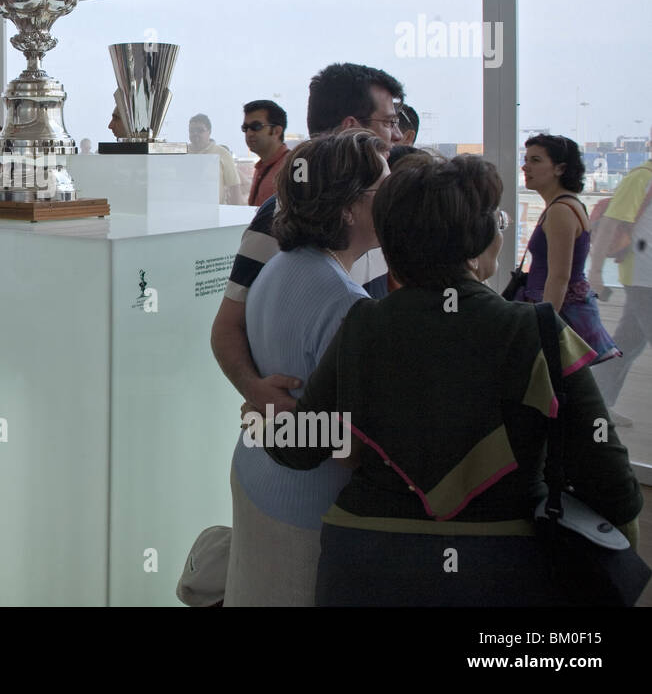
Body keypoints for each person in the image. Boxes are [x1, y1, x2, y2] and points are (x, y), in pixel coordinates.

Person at [263, 156, 643, 605]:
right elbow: (614, 488)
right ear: (484, 238)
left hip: (367, 563)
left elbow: (299, 449)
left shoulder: (363, 325)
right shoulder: (537, 332)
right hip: (504, 564)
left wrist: (264, 415)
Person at [224, 130, 389, 606]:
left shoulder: (282, 265)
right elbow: (348, 445)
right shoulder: (345, 301)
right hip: (305, 507)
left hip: (257, 474)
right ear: (348, 208)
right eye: (384, 191)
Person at [211, 62, 405, 415]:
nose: (398, 134)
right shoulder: (281, 214)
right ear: (350, 128)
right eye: (389, 122)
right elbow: (226, 327)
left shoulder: (377, 212)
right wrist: (259, 393)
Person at [517, 134, 619, 364]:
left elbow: (559, 277)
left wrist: (546, 329)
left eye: (535, 160)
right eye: (526, 159)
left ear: (560, 168)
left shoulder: (560, 210)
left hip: (560, 314)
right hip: (562, 310)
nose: (525, 166)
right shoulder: (567, 204)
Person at [589, 152, 652, 421]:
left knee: (628, 343)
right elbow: (609, 225)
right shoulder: (641, 177)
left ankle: (596, 405)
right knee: (629, 342)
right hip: (643, 278)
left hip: (645, 279)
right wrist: (595, 272)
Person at [242, 100, 289, 207]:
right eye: (245, 128)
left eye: (256, 126)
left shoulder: (293, 167)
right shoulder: (261, 167)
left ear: (277, 131)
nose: (249, 133)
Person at [188, 114, 243, 205]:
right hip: (186, 211)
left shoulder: (223, 154)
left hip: (214, 214)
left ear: (209, 132)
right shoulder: (183, 154)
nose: (195, 134)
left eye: (200, 130)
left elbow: (234, 188)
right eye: (192, 131)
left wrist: (234, 214)